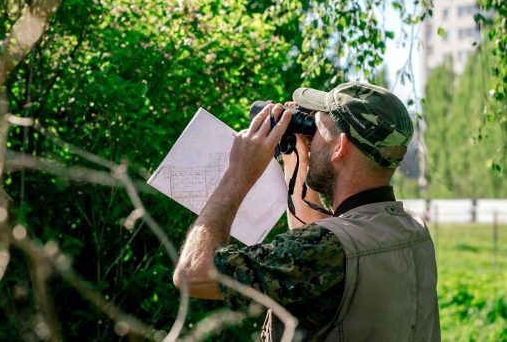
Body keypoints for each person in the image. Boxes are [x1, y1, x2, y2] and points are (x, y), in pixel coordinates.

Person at [172, 82, 440, 341]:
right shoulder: (412, 229)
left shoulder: (324, 250)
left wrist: (238, 173)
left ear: (340, 146)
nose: (312, 136)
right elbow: (320, 255)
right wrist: (296, 158)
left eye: (317, 126)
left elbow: (194, 275)